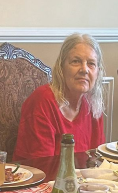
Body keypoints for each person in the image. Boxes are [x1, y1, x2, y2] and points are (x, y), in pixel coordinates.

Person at [13, 33, 105, 167]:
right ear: (61, 67)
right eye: (76, 61)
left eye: (91, 64)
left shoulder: (93, 103)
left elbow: (98, 160)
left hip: (84, 182)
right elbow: (42, 167)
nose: (84, 69)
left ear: (98, 72)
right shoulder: (43, 101)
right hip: (46, 181)